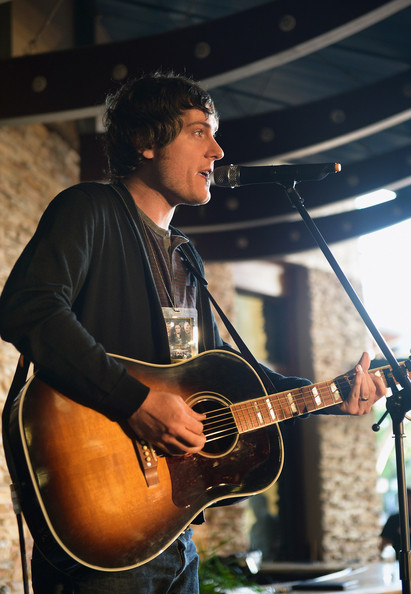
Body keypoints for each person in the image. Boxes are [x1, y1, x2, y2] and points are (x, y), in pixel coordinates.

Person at [0, 71, 386, 593]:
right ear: (146, 142)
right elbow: (28, 307)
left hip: (172, 531)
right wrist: (135, 401)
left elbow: (229, 376)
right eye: (199, 131)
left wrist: (333, 396)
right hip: (102, 519)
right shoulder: (88, 208)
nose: (218, 150)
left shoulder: (185, 256)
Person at [380, 489, 411, 559]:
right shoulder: (393, 520)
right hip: (397, 563)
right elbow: (383, 544)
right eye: (405, 502)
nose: (407, 505)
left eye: (409, 501)